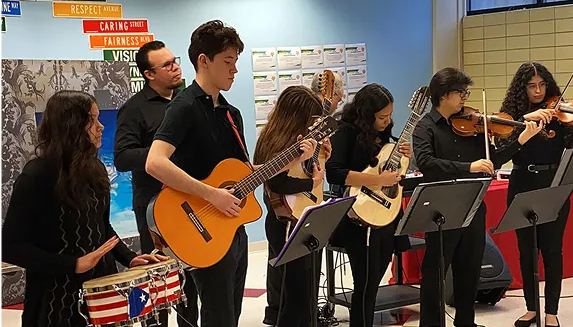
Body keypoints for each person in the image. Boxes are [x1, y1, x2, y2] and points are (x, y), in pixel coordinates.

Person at [144, 20, 315, 327]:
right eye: (227, 62)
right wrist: (212, 194)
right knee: (218, 317)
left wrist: (292, 158)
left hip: (232, 228)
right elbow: (155, 163)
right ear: (203, 61)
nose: (234, 70)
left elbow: (243, 173)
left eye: (235, 62)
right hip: (200, 225)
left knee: (230, 315)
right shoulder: (184, 107)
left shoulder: (231, 114)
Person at [2, 90, 166, 327]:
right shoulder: (35, 176)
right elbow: (11, 247)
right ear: (71, 125)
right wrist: (74, 265)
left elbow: (101, 226)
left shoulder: (96, 169)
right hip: (55, 302)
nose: (100, 127)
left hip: (102, 294)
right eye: (92, 120)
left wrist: (130, 259)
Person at [413, 67, 542, 327]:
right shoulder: (425, 127)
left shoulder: (475, 124)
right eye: (461, 92)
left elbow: (491, 160)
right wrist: (467, 168)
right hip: (440, 208)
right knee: (434, 272)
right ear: (444, 95)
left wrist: (522, 139)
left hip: (473, 205)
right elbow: (426, 163)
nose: (465, 98)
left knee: (469, 270)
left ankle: (465, 322)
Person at [498, 61, 573, 327]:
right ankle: (532, 308)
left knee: (553, 251)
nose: (538, 91)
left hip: (555, 184)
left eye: (542, 85)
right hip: (521, 182)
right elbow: (503, 151)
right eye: (532, 86)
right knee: (526, 251)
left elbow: (572, 150)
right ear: (522, 89)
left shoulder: (560, 111)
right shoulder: (511, 115)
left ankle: (552, 311)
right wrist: (524, 125)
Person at [113, 40, 198, 327]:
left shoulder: (188, 101)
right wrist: (162, 151)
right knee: (158, 279)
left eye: (175, 61)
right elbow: (122, 157)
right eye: (167, 64)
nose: (176, 67)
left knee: (190, 278)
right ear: (149, 74)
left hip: (189, 201)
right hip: (153, 206)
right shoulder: (134, 108)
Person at [326, 83, 411, 327]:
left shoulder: (384, 131)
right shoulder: (345, 132)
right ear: (366, 114)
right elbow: (335, 173)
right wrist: (376, 180)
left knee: (375, 279)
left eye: (390, 115)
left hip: (384, 213)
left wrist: (402, 153)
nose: (387, 121)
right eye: (382, 117)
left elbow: (388, 167)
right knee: (363, 281)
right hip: (356, 216)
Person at [255, 85, 332, 327]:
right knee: (296, 298)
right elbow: (278, 183)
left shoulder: (298, 139)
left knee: (307, 296)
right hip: (285, 223)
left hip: (302, 217)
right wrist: (312, 182)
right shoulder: (278, 142)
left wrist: (322, 158)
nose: (312, 126)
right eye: (310, 120)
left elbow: (307, 167)